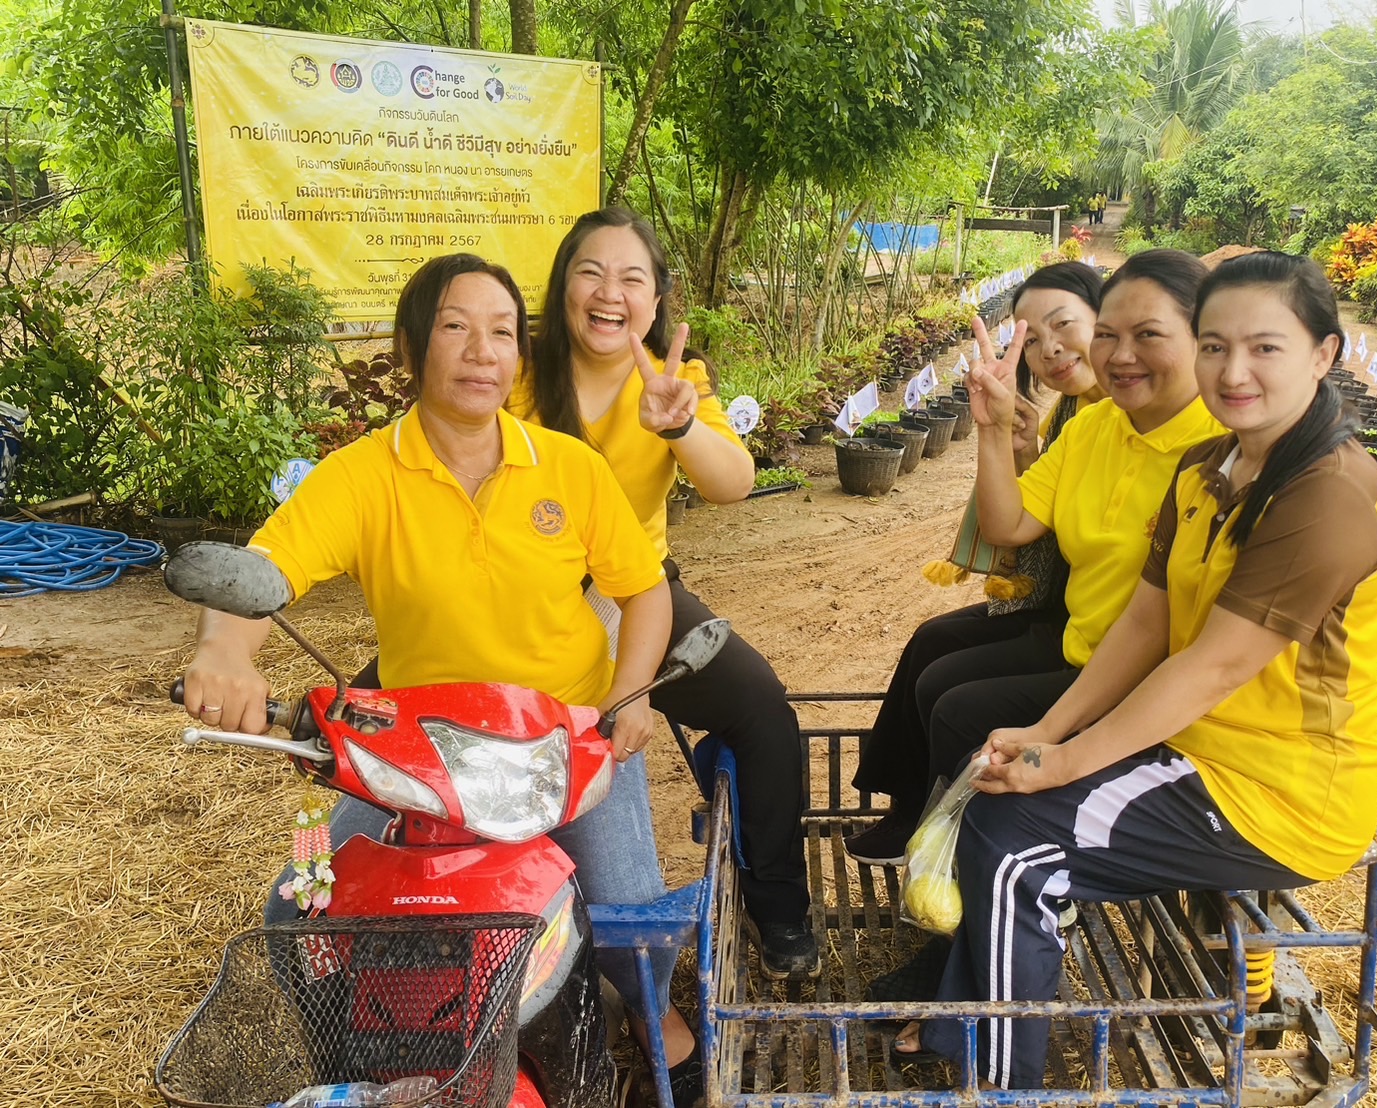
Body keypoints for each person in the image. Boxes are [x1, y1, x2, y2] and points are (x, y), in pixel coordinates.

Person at [178, 254, 700, 1100]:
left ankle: (645, 1024)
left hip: (564, 742)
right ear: (415, 345)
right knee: (296, 915)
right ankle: (369, 1057)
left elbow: (644, 593)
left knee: (629, 928)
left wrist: (624, 698)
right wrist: (225, 653)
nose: (481, 351)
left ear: (521, 356)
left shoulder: (570, 468)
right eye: (457, 326)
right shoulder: (359, 475)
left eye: (502, 331)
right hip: (416, 759)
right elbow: (263, 570)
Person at [905, 251, 1377, 1090]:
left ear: (1323, 354)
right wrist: (1044, 733)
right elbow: (1145, 621)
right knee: (992, 784)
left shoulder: (1326, 494)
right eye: (1214, 346)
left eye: (1264, 348)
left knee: (1017, 843)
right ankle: (966, 1032)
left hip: (1274, 793)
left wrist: (1060, 765)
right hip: (1199, 752)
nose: (1232, 371)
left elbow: (1210, 667)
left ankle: (1000, 1079)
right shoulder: (1209, 468)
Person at [513, 208, 818, 984]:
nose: (608, 292)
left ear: (654, 303)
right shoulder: (516, 373)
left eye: (631, 278)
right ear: (561, 285)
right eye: (589, 271)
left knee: (761, 709)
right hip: (517, 604)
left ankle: (776, 905)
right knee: (385, 712)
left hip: (637, 593)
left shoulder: (675, 379)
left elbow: (734, 483)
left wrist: (680, 428)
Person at [847, 251, 1223, 866]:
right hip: (1085, 638)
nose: (1118, 354)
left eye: (1146, 334)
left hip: (1146, 677)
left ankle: (959, 860)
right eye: (1108, 337)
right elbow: (1009, 527)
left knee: (956, 702)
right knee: (936, 658)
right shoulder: (1091, 425)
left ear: (1205, 338)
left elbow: (1182, 637)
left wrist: (1057, 744)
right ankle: (928, 836)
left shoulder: (1224, 448)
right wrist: (995, 431)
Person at [846, 262, 1107, 864]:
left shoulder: (1126, 418)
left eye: (1064, 324)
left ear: (1109, 320)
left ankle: (949, 846)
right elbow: (1023, 523)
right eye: (1031, 338)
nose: (1051, 349)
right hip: (1064, 605)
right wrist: (1017, 446)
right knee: (931, 641)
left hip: (1086, 624)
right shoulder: (1081, 417)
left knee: (949, 688)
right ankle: (908, 810)